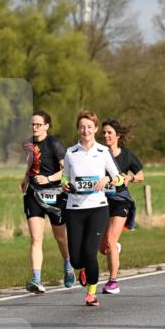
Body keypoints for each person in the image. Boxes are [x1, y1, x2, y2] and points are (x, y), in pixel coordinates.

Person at [62, 110, 125, 307]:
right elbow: (64, 176)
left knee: (90, 253)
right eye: (82, 127)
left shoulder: (103, 152)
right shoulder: (70, 152)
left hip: (98, 208)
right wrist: (64, 184)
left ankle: (91, 293)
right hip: (74, 208)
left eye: (89, 127)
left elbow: (120, 178)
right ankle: (83, 269)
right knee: (76, 259)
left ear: (95, 129)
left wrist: (107, 178)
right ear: (78, 129)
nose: (86, 130)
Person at [20, 110, 72, 293]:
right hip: (34, 194)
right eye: (32, 124)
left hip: (56, 195)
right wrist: (26, 179)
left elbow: (67, 170)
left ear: (46, 126)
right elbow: (31, 163)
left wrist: (49, 179)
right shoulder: (28, 143)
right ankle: (36, 280)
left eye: (38, 125)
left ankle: (68, 264)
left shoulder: (54, 144)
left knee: (60, 237)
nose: (34, 128)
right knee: (36, 238)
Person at [98, 118, 144, 295]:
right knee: (104, 248)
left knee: (110, 239)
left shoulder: (126, 155)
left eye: (110, 132)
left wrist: (129, 178)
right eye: (104, 133)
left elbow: (140, 175)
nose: (106, 136)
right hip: (102, 201)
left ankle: (113, 282)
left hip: (121, 200)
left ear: (117, 135)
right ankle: (114, 248)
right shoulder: (99, 153)